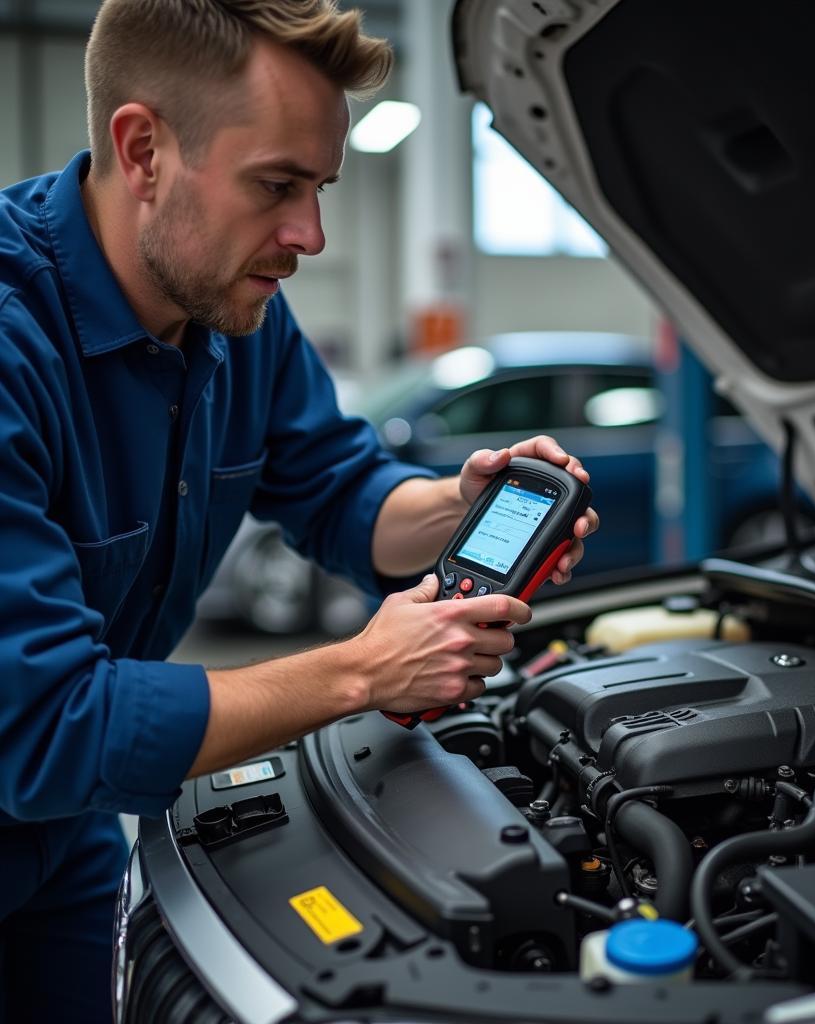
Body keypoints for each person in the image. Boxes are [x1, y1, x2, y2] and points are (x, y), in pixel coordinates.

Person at [0, 2, 598, 1021]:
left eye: (319, 188)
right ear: (143, 148)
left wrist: (459, 510)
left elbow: (341, 492)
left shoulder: (237, 320)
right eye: (276, 185)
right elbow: (45, 722)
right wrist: (362, 670)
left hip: (71, 836)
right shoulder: (16, 346)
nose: (309, 236)